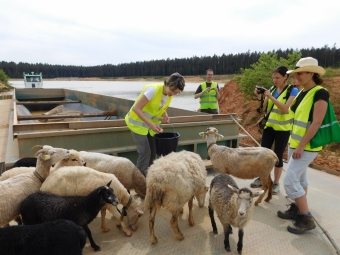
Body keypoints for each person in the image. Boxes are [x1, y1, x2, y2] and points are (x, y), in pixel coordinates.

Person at [277, 57, 329, 234]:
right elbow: (287, 110)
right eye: (296, 73)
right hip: (295, 143)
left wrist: (300, 146)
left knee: (290, 181)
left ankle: (306, 217)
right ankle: (297, 209)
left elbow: (316, 123)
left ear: (311, 73)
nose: (296, 76)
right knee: (300, 179)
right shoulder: (301, 92)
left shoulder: (320, 93)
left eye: (300, 73)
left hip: (306, 146)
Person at [125, 72, 185, 176]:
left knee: (153, 153)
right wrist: (152, 125)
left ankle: (148, 177)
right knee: (145, 154)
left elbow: (160, 105)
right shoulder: (152, 90)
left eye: (176, 93)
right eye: (172, 91)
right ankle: (138, 182)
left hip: (148, 127)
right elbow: (136, 108)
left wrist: (165, 114)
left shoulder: (169, 94)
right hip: (137, 125)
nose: (172, 94)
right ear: (167, 83)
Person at [250, 66, 299, 194]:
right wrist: (260, 97)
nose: (275, 80)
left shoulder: (292, 90)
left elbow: (285, 109)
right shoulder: (272, 89)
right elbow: (263, 108)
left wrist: (271, 97)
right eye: (273, 77)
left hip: (283, 129)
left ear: (285, 77)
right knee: (262, 154)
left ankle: (276, 183)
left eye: (277, 77)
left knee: (277, 156)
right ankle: (262, 178)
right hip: (269, 127)